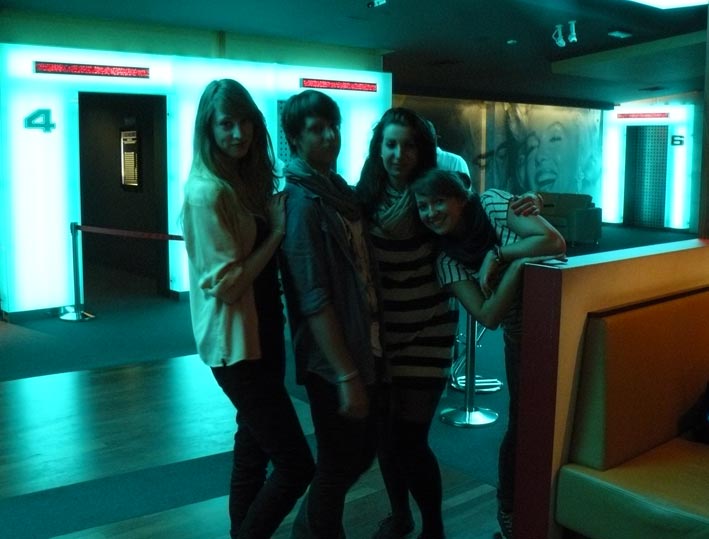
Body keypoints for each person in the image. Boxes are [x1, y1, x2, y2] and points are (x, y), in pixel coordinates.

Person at [181, 79, 315, 539]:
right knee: (296, 464)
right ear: (209, 127)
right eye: (226, 124)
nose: (238, 133)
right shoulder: (207, 192)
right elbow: (226, 285)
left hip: (263, 332)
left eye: (245, 122)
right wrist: (274, 233)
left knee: (253, 447)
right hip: (236, 346)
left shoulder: (242, 179)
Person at [410, 169, 566, 539]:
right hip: (522, 337)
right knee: (523, 425)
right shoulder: (446, 261)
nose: (430, 212)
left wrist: (498, 254)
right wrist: (518, 264)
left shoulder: (494, 203)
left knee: (565, 424)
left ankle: (556, 511)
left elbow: (554, 241)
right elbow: (488, 315)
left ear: (461, 199)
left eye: (438, 202)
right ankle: (509, 511)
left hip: (567, 318)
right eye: (422, 206)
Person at [278, 89, 381, 539]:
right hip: (332, 356)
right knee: (341, 461)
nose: (329, 136)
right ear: (295, 139)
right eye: (316, 129)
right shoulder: (303, 202)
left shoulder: (338, 191)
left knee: (355, 455)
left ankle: (311, 528)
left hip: (363, 339)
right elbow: (313, 297)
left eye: (333, 126)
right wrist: (346, 374)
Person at [357, 107, 458, 539]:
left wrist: (525, 208)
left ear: (423, 150)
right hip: (383, 338)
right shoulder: (364, 199)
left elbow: (478, 222)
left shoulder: (434, 195)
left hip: (428, 333)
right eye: (391, 144)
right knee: (385, 437)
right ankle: (401, 515)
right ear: (379, 148)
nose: (399, 154)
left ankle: (434, 528)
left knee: (410, 440)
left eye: (409, 145)